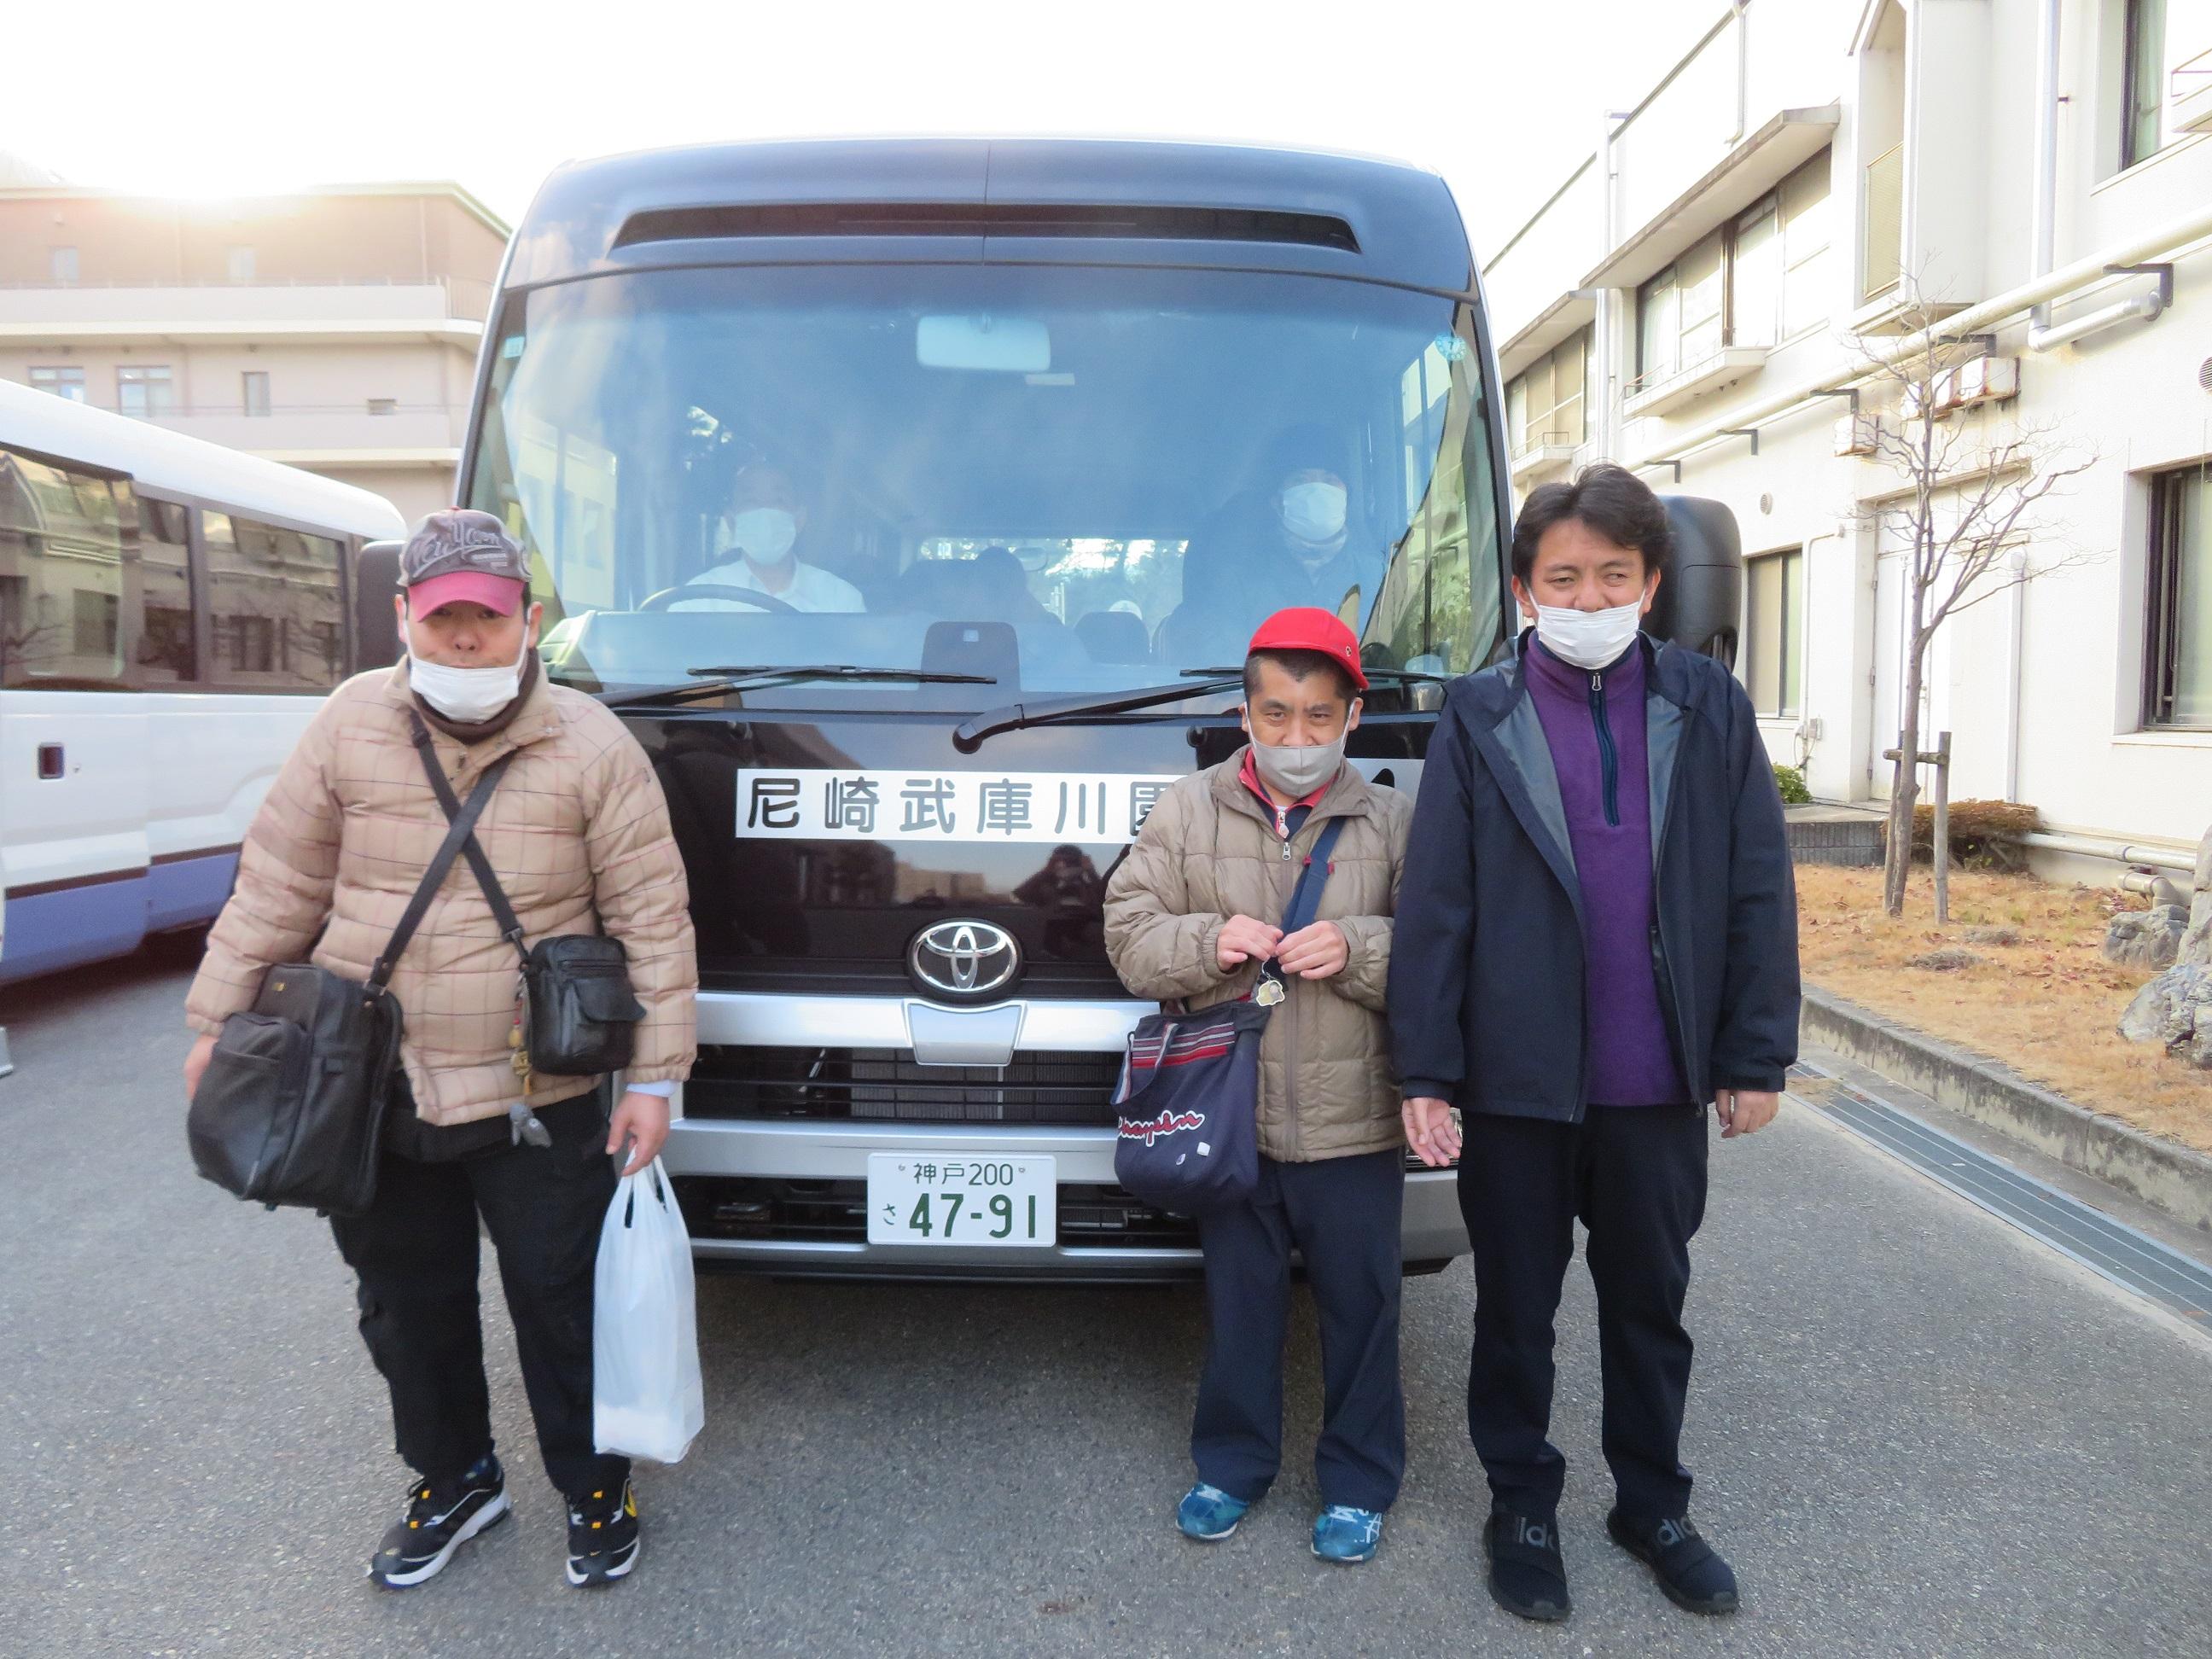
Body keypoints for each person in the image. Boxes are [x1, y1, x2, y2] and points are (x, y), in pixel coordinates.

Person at [182, 509, 698, 1592]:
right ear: (405, 614)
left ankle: (594, 1485)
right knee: (405, 1306)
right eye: (445, 615)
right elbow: (276, 887)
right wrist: (214, 1027)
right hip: (369, 1085)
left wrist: (653, 1078)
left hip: (538, 1090)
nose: (466, 639)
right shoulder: (346, 724)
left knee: (561, 1302)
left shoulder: (592, 742)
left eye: (489, 617)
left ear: (530, 624)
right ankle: (455, 1476)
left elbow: (653, 919)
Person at [1389, 464, 1799, 1623]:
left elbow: (1759, 884)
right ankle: (1520, 1501)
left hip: (1658, 1080)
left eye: (1612, 576)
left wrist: (1753, 1053)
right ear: (1524, 591)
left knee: (1648, 1305)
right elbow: (1438, 904)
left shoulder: (1706, 707)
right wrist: (1426, 1069)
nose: (1587, 597)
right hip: (1519, 1087)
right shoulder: (1480, 715)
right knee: (1516, 1310)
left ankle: (1652, 1503)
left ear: (1653, 583)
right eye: (1562, 578)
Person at [1103, 606, 1413, 1566]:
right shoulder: (1188, 808)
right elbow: (1126, 931)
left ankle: (1359, 1484)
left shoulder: (1394, 817)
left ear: (1353, 718)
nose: (1296, 739)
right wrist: (1208, 940)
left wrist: (1359, 947)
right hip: (1229, 1117)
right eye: (1275, 714)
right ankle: (1232, 1468)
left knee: (1363, 1311)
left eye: (1320, 717)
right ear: (1245, 713)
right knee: (1241, 1307)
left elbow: (1450, 956)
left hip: (1355, 1120)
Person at [678, 460, 864, 613]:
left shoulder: (840, 599)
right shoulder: (698, 600)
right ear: (732, 521)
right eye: (751, 501)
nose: (764, 511)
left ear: (799, 520)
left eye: (778, 501)